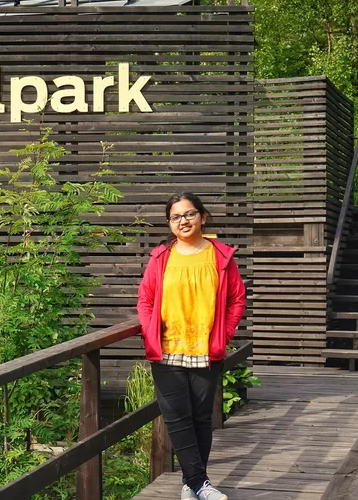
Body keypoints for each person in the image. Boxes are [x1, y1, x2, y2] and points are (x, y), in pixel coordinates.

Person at [136, 192, 246, 500]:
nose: (183, 221)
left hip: (205, 349)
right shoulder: (161, 257)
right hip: (167, 349)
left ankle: (191, 483)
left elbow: (237, 299)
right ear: (169, 223)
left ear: (203, 216)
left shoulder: (221, 256)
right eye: (175, 217)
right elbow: (144, 300)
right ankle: (200, 484)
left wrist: (224, 333)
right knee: (176, 417)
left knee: (200, 418)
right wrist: (149, 332)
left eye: (189, 214)